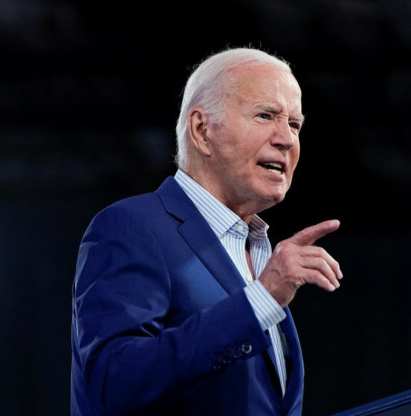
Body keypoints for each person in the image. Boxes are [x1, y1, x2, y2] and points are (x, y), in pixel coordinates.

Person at [70, 46, 343, 416]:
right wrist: (260, 301)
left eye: (294, 124)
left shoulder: (262, 253)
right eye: (266, 115)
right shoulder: (133, 226)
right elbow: (115, 383)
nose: (287, 139)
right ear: (202, 129)